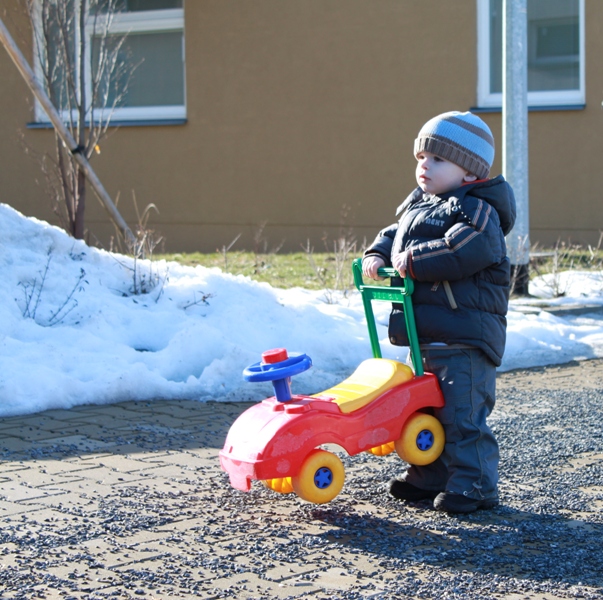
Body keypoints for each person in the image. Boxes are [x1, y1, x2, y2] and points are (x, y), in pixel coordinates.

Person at [362, 111, 516, 514]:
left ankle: (475, 484)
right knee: (423, 410)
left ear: (469, 173)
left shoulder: (478, 211)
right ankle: (430, 473)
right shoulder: (418, 206)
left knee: (462, 416)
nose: (425, 166)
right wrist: (377, 255)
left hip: (464, 337)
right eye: (421, 158)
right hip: (425, 333)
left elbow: (466, 249)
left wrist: (412, 260)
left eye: (438, 159)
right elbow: (392, 237)